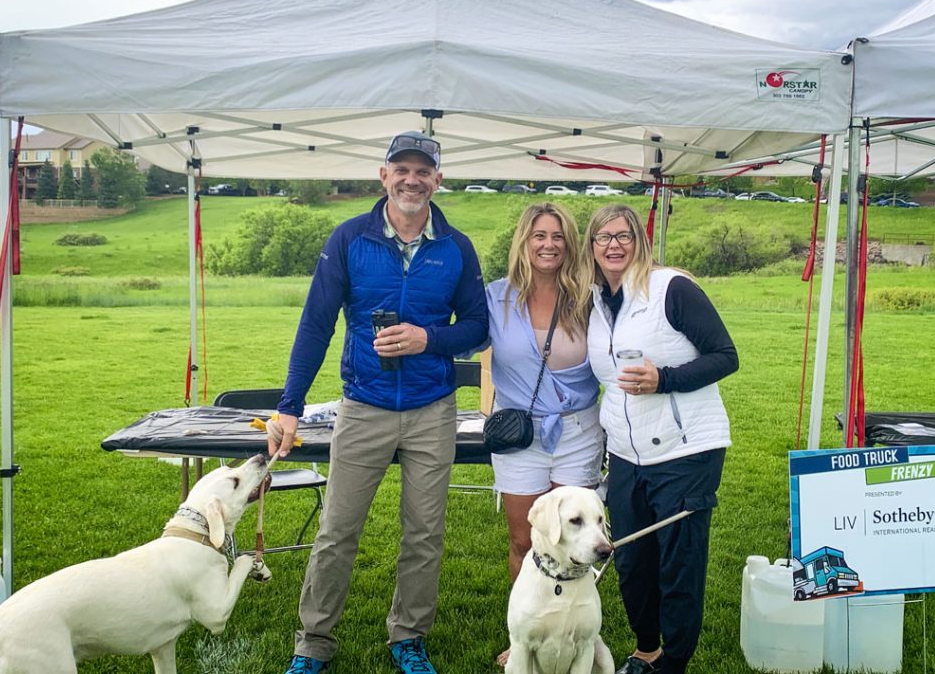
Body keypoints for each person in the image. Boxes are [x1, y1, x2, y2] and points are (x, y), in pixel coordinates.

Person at [269, 130, 488, 674]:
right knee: (337, 531)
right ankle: (313, 643)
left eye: (424, 171)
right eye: (402, 169)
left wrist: (427, 339)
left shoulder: (455, 247)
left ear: (438, 180)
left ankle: (408, 637)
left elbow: (481, 327)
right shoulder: (348, 239)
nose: (412, 179)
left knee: (424, 533)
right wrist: (289, 405)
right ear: (383, 175)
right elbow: (316, 324)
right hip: (362, 406)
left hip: (431, 408)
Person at [583, 203, 738, 674]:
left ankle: (674, 661)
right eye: (604, 237)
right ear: (591, 247)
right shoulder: (593, 301)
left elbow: (725, 355)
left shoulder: (671, 288)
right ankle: (646, 648)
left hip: (685, 450)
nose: (614, 244)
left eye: (624, 235)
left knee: (678, 563)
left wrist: (663, 379)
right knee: (631, 559)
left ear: (640, 242)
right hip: (626, 454)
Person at [484, 202, 602, 667]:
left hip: (577, 430)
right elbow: (458, 333)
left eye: (557, 236)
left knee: (578, 539)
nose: (548, 244)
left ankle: (575, 632)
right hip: (519, 434)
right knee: (525, 540)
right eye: (539, 236)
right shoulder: (495, 297)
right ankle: (525, 635)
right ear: (524, 242)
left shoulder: (590, 297)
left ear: (569, 244)